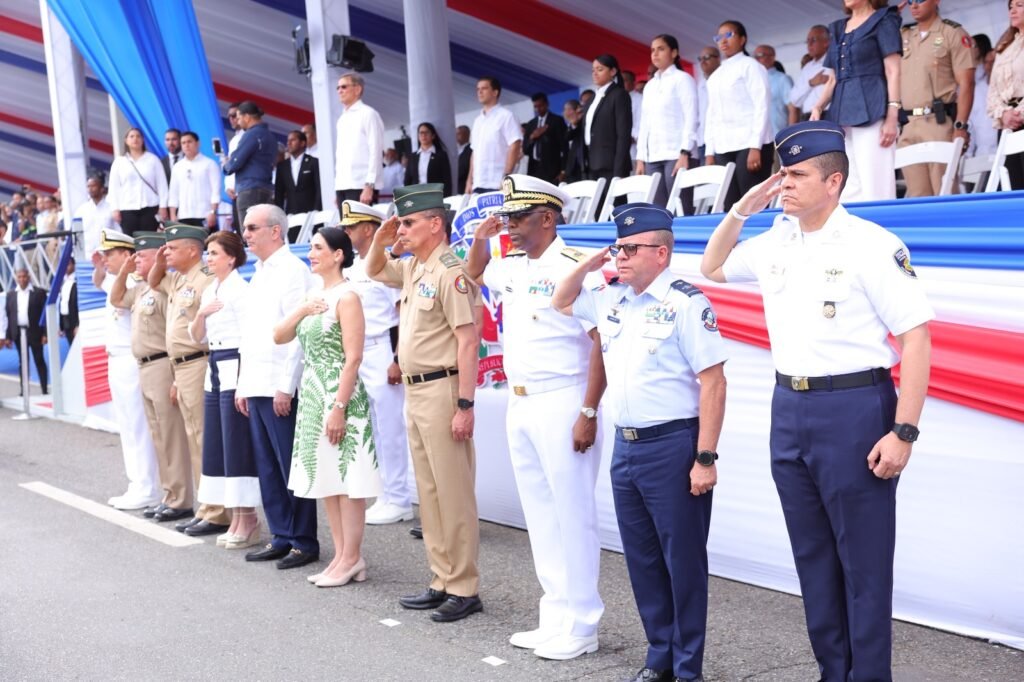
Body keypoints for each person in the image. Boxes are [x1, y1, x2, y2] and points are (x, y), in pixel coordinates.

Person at [701, 120, 933, 681]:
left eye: (798, 174)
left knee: (864, 565)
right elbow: (712, 267)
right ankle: (834, 672)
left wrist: (903, 432)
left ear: (833, 182)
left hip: (854, 409)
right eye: (783, 173)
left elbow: (916, 338)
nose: (785, 183)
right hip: (790, 409)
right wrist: (742, 209)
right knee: (813, 559)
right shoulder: (775, 241)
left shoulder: (872, 245)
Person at [551, 203, 727, 682]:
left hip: (673, 444)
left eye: (630, 249)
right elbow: (560, 300)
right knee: (643, 559)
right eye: (618, 249)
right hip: (626, 446)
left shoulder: (686, 303)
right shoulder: (611, 299)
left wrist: (705, 457)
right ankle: (659, 657)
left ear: (661, 253)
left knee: (682, 562)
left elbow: (713, 382)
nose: (621, 257)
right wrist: (589, 264)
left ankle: (688, 668)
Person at [466, 176, 607, 661]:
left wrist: (589, 411)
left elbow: (600, 344)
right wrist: (480, 238)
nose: (510, 226)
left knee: (573, 515)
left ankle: (583, 623)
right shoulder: (511, 266)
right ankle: (556, 616)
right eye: (507, 218)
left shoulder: (577, 267)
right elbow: (474, 273)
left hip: (564, 399)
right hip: (521, 401)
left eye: (518, 218)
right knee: (541, 515)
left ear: (547, 218)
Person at [365, 183, 483, 623]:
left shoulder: (450, 272)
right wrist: (383, 237)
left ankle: (464, 586)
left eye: (409, 222)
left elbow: (468, 342)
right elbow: (375, 269)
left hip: (442, 389)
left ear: (436, 224)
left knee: (453, 493)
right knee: (429, 493)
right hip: (416, 390)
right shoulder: (415, 266)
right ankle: (441, 578)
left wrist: (465, 405)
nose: (402, 229)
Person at [274, 227, 380, 586]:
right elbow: (279, 335)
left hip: (340, 394)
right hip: (313, 393)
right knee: (329, 480)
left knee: (348, 480)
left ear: (338, 255)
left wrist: (339, 407)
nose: (311, 253)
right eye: (311, 247)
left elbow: (353, 358)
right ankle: (341, 556)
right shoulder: (314, 295)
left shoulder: (347, 297)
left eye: (319, 247)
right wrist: (303, 309)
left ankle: (352, 557)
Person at [236, 203, 320, 570]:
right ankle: (281, 535)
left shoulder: (292, 270)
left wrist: (287, 385)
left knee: (291, 465)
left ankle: (303, 541)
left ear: (275, 231)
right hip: (257, 381)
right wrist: (243, 384)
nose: (246, 234)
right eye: (245, 228)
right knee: (268, 467)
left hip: (278, 384)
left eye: (252, 227)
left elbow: (299, 332)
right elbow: (250, 334)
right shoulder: (258, 272)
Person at [148, 223, 233, 536]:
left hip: (199, 362)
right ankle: (206, 507)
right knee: (195, 438)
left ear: (193, 251)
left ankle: (218, 511)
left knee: (204, 438)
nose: (166, 252)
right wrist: (160, 261)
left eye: (172, 248)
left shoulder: (205, 278)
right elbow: (153, 280)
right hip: (181, 367)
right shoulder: (178, 279)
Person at [109, 232, 194, 523]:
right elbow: (116, 298)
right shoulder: (140, 288)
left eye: (142, 257)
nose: (136, 261)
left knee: (172, 437)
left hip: (161, 365)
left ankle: (181, 499)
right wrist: (124, 271)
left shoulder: (164, 288)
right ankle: (168, 495)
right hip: (144, 367)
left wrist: (175, 377)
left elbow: (173, 333)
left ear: (158, 257)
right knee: (158, 437)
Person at [339, 201, 414, 526]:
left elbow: (402, 314)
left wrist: (397, 358)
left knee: (390, 428)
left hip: (383, 349)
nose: (346, 232)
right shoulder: (353, 267)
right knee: (373, 429)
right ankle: (385, 494)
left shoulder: (386, 264)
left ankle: (399, 499)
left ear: (369, 229)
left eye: (351, 226)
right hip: (358, 352)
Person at [188, 232, 261, 549]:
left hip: (235, 366)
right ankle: (235, 517)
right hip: (214, 366)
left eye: (215, 253)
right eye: (208, 252)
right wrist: (201, 314)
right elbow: (196, 337)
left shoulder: (241, 290)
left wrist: (244, 383)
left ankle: (248, 518)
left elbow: (249, 339)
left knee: (236, 443)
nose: (209, 258)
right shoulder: (210, 290)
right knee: (218, 442)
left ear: (231, 258)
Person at [91, 231, 161, 510]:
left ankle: (147, 487)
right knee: (127, 426)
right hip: (116, 359)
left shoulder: (136, 283)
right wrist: (100, 266)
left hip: (131, 360)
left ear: (126, 255)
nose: (105, 259)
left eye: (109, 254)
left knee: (137, 425)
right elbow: (99, 281)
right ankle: (137, 484)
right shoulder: (115, 280)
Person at [811, 0, 902, 202]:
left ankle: (880, 222)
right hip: (841, 113)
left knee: (876, 184)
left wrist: (892, 117)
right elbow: (833, 78)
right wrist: (818, 106)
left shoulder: (884, 20)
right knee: (847, 185)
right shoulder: (838, 28)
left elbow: (893, 70)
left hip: (873, 108)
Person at [897, 1, 976, 197]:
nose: (914, 5)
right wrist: (890, 17)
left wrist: (961, 126)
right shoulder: (903, 35)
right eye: (910, 1)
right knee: (916, 195)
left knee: (945, 191)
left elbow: (967, 83)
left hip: (938, 122)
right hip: (909, 124)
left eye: (920, 0)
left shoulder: (952, 32)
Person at [704, 20, 773, 210]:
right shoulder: (716, 75)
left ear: (742, 39)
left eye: (729, 35)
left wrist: (756, 146)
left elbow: (762, 105)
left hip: (750, 143)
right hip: (723, 146)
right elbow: (712, 114)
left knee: (753, 203)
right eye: (719, 37)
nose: (723, 41)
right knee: (730, 205)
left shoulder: (751, 66)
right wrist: (709, 152)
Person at [636, 34, 698, 211]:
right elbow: (644, 124)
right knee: (657, 211)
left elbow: (691, 117)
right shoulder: (650, 86)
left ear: (674, 52)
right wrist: (640, 158)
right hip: (653, 157)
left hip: (677, 154)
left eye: (661, 49)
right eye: (652, 50)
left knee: (681, 209)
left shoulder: (683, 79)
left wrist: (685, 152)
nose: (655, 54)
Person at [584, 54, 633, 207]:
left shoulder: (619, 94)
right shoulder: (592, 98)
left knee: (617, 208)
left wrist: (619, 170)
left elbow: (623, 134)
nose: (595, 73)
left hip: (612, 164)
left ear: (612, 71)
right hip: (593, 162)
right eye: (593, 70)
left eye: (600, 69)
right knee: (597, 210)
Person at [987, 0, 1024, 189]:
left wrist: (1019, 113)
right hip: (1008, 125)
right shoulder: (1005, 46)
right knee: (1014, 185)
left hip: (1020, 117)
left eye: (1020, 5)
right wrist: (1004, 114)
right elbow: (993, 90)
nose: (1013, 11)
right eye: (1010, 7)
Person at [333, 73, 385, 206]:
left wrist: (369, 185)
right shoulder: (342, 119)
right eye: (338, 87)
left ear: (357, 89)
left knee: (362, 221)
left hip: (361, 185)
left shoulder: (368, 114)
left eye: (344, 87)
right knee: (345, 221)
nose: (339, 91)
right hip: (343, 185)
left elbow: (376, 151)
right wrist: (339, 188)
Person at [223, 101, 277, 225]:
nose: (238, 121)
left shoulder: (251, 135)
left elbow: (235, 162)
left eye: (238, 117)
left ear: (247, 117)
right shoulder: (270, 136)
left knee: (249, 230)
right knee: (264, 228)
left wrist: (226, 166)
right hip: (267, 188)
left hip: (249, 189)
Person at [107, 127, 168, 236]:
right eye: (132, 136)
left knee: (149, 239)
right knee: (130, 240)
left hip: (150, 206)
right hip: (127, 208)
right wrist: (115, 209)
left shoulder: (153, 159)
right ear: (126, 140)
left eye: (138, 136)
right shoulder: (119, 162)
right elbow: (113, 187)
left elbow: (162, 185)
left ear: (143, 140)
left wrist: (163, 206)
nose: (135, 139)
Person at [467, 76, 522, 194]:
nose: (480, 92)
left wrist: (506, 176)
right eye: (478, 89)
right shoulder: (477, 121)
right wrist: (469, 181)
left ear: (495, 92)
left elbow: (515, 145)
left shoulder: (506, 116)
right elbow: (474, 152)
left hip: (498, 182)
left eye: (484, 88)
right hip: (478, 182)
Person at [4, 268, 48, 396]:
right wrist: (8, 336)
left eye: (24, 276)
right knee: (23, 362)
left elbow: (44, 315)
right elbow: (9, 316)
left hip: (34, 332)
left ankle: (44, 389)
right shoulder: (11, 294)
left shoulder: (38, 293)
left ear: (28, 277)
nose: (22, 279)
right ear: (16, 278)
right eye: (19, 277)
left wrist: (45, 334)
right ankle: (24, 390)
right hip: (18, 332)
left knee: (39, 360)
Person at [168, 131, 221, 230]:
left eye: (189, 142)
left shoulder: (209, 164)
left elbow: (216, 191)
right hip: (183, 216)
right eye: (183, 143)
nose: (186, 145)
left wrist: (213, 212)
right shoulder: (177, 167)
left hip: (204, 215)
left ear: (197, 143)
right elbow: (173, 193)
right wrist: (173, 215)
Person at [274, 129, 322, 229]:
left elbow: (319, 187)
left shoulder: (313, 162)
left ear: (302, 143)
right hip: (291, 214)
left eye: (293, 140)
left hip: (312, 214)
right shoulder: (282, 166)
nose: (289, 143)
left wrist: (317, 210)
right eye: (288, 141)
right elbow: (279, 193)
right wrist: (279, 214)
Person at [788, 26, 832, 124]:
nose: (809, 44)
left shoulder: (833, 63)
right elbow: (794, 100)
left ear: (826, 42)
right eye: (808, 41)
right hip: (807, 118)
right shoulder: (807, 67)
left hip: (828, 115)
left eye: (814, 40)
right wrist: (811, 83)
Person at [523, 93, 567, 185]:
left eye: (540, 106)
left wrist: (563, 170)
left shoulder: (557, 121)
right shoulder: (531, 124)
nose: (538, 109)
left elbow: (565, 147)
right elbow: (525, 150)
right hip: (534, 169)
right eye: (535, 107)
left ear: (547, 104)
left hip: (552, 170)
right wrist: (533, 137)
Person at [967, 34, 998, 159]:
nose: (989, 66)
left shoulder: (1008, 88)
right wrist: (968, 155)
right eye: (986, 62)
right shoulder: (975, 89)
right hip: (982, 154)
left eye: (993, 62)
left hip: (1005, 150)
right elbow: (970, 125)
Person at [754, 45, 794, 137]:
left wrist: (791, 136)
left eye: (760, 55)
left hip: (778, 136)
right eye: (755, 56)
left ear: (772, 57)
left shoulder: (782, 79)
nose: (756, 59)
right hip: (757, 137)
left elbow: (793, 109)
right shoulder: (752, 81)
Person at [404, 123, 454, 196]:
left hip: (435, 196)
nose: (424, 135)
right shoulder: (413, 156)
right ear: (418, 136)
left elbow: (447, 180)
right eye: (421, 133)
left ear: (433, 136)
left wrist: (445, 198)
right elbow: (407, 180)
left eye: (427, 132)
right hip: (416, 196)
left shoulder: (441, 155)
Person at [74, 174, 117, 257]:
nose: (90, 189)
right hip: (88, 255)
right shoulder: (81, 210)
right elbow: (76, 233)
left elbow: (118, 231)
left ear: (102, 188)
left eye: (93, 186)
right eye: (88, 186)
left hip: (107, 253)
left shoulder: (111, 208)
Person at [695, 46, 721, 166]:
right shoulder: (700, 84)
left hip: (722, 141)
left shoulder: (725, 79)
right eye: (700, 59)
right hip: (703, 141)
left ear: (718, 59)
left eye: (707, 57)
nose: (703, 61)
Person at [563, 99, 586, 183]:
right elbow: (567, 138)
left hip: (582, 165)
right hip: (571, 167)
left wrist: (575, 124)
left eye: (567, 110)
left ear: (575, 110)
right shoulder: (569, 125)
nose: (565, 113)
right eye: (564, 110)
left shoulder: (583, 123)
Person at [58, 257, 78, 343]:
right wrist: (61, 325)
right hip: (66, 319)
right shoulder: (63, 281)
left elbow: (78, 304)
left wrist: (78, 324)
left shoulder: (77, 280)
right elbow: (62, 303)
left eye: (68, 264)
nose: (65, 267)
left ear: (74, 265)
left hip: (75, 319)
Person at [455, 125, 472, 194]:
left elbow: (463, 168)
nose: (456, 136)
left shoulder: (470, 150)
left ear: (466, 134)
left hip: (464, 186)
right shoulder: (455, 149)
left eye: (458, 134)